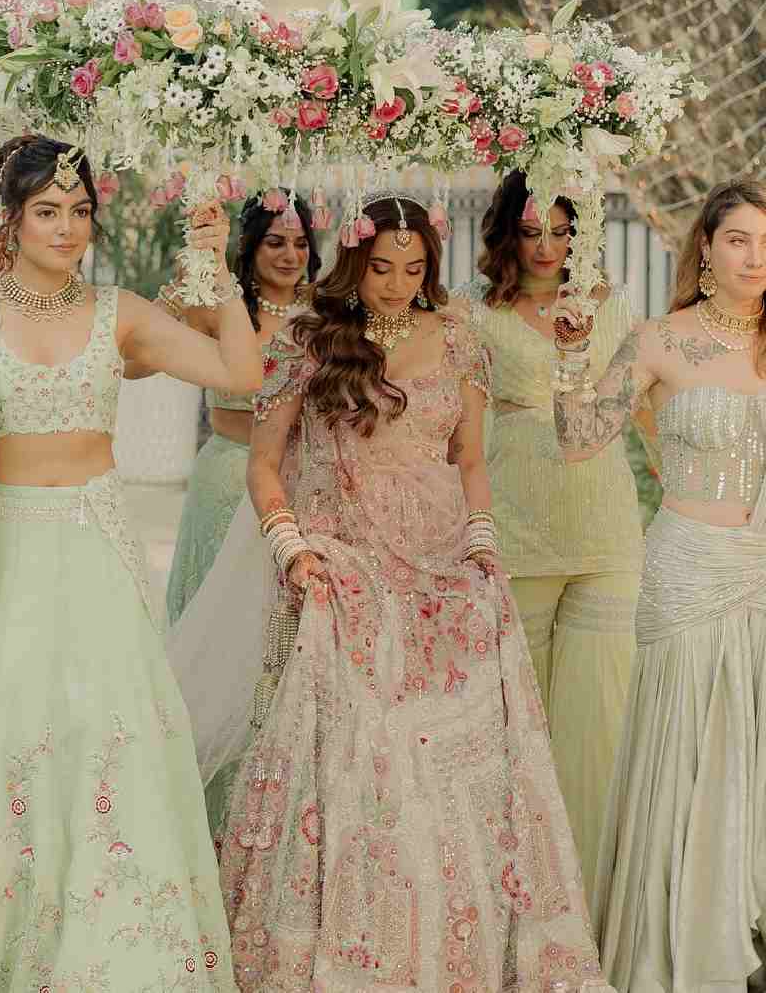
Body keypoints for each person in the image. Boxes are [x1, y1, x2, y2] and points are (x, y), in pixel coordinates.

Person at [0, 134, 262, 991]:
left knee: (107, 746)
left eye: (81, 212)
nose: (68, 227)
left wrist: (215, 263)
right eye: (48, 211)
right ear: (12, 218)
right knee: (11, 748)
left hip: (98, 558)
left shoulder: (119, 314)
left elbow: (241, 368)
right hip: (2, 563)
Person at [204, 192, 613, 991]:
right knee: (369, 768)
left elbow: (468, 461)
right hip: (347, 573)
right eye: (382, 267)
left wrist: (484, 545)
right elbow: (262, 462)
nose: (397, 284)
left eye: (415, 267)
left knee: (457, 771)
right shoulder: (310, 339)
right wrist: (293, 551)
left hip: (445, 579)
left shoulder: (457, 336)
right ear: (356, 262)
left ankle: (452, 953)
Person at [552, 178, 766, 991]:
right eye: (740, 239)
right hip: (688, 569)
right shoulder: (658, 340)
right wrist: (573, 355)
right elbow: (578, 441)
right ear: (705, 249)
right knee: (689, 750)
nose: (755, 257)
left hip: (765, 568)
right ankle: (681, 945)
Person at [454, 171, 644, 897]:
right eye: (533, 232)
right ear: (508, 233)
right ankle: (520, 897)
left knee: (601, 716)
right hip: (516, 521)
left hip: (604, 526)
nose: (547, 247)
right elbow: (458, 429)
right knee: (516, 718)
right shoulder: (473, 310)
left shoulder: (610, 306)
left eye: (562, 232)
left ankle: (594, 898)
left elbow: (631, 409)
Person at [152, 190, 318, 841]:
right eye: (275, 241)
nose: (290, 254)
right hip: (226, 481)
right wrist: (201, 262)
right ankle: (204, 829)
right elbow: (149, 333)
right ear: (250, 246)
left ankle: (273, 827)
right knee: (215, 646)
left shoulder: (322, 314)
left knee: (277, 652)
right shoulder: (215, 306)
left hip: (295, 490)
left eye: (301, 242)